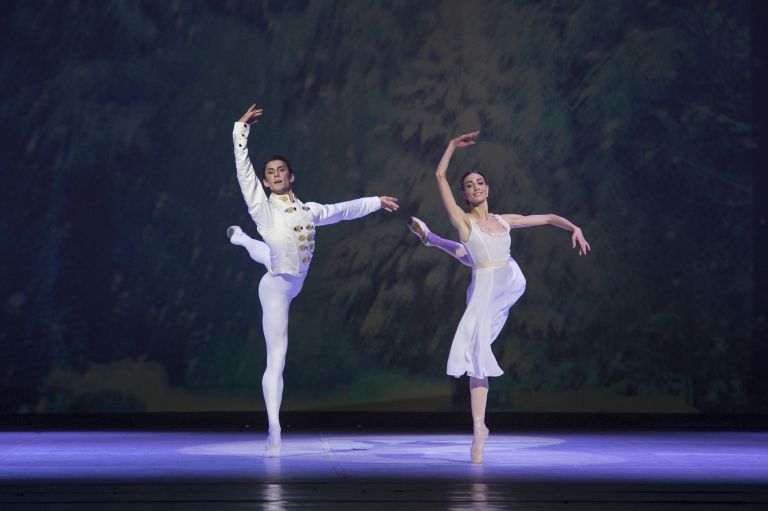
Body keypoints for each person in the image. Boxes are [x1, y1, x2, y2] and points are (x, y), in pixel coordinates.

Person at [409, 131, 590, 464]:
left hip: (510, 280)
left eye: (480, 182)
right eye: (469, 185)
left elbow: (549, 218)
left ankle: (432, 240)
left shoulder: (505, 221)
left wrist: (574, 227)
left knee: (470, 254)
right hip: (484, 290)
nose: (475, 187)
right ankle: (479, 429)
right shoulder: (463, 221)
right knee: (478, 355)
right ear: (464, 195)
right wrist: (450, 146)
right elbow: (439, 176)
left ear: (487, 189)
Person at [229, 104, 399, 457]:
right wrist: (240, 131)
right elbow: (243, 171)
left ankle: (244, 241)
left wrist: (375, 201)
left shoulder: (309, 210)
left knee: (265, 252)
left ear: (292, 177)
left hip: (295, 278)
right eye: (270, 173)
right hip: (276, 287)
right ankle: (274, 429)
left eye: (281, 171)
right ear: (265, 181)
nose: (275, 175)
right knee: (277, 357)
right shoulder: (263, 209)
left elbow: (341, 210)